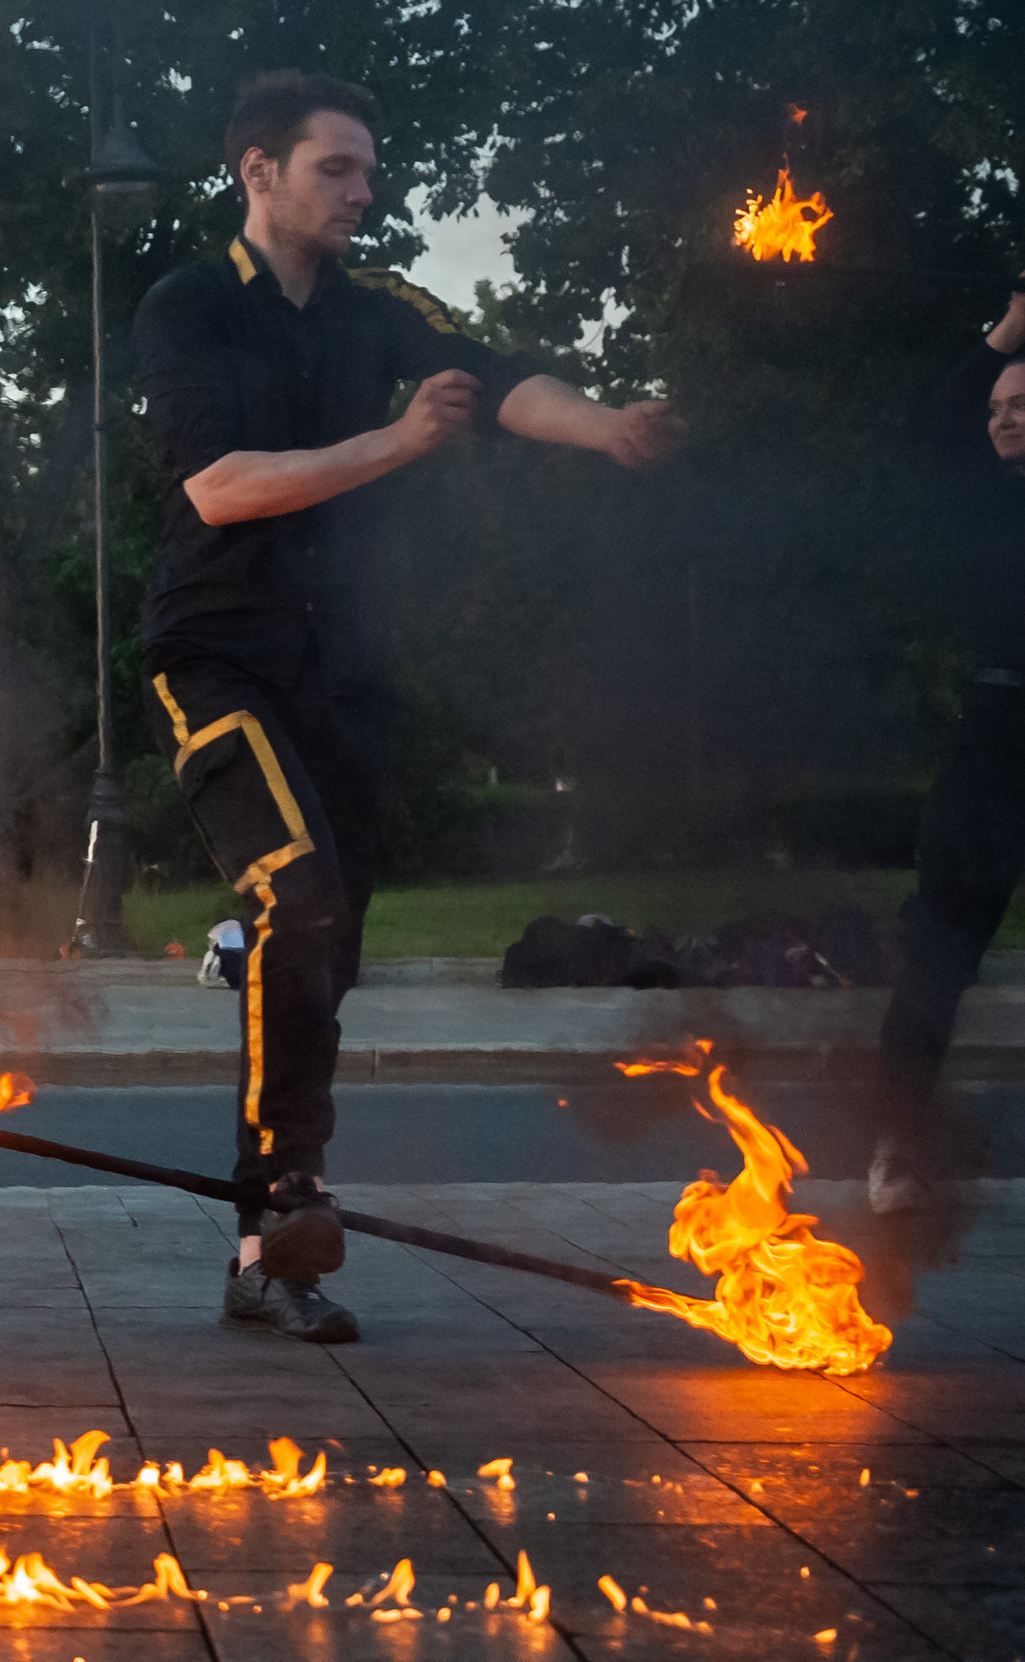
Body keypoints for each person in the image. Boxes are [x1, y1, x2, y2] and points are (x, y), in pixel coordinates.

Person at [132, 71, 687, 1342]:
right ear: (257, 171)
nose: (363, 194)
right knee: (296, 892)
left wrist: (602, 428)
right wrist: (393, 445)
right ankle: (289, 1204)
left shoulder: (378, 305)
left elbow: (489, 381)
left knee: (321, 959)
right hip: (219, 655)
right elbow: (219, 489)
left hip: (348, 676)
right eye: (337, 169)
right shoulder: (189, 307)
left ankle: (264, 1256)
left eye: (370, 173)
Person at [870, 274, 1025, 1213]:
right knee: (936, 953)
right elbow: (948, 415)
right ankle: (897, 1149)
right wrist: (1007, 327)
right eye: (1002, 406)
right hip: (995, 738)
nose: (1005, 418)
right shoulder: (980, 505)